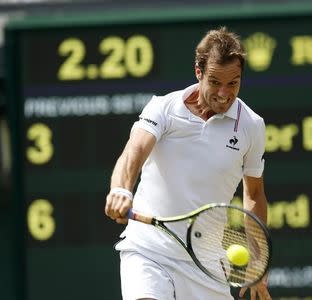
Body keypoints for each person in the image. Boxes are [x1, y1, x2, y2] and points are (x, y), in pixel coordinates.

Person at [104, 27, 271, 300]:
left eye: (233, 83)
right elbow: (134, 152)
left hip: (206, 263)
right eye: (215, 82)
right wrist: (121, 190)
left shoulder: (252, 126)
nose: (224, 93)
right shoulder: (164, 108)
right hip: (148, 250)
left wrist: (257, 256)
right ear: (198, 72)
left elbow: (253, 194)